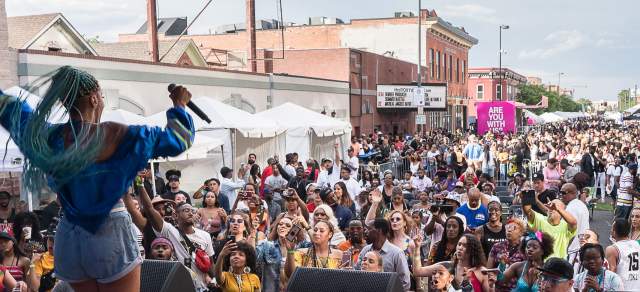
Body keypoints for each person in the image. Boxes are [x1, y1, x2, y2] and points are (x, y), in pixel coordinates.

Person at [140, 180, 214, 289]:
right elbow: (150, 209)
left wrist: (214, 280)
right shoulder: (170, 231)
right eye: (186, 210)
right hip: (179, 287)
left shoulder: (205, 235)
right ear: (176, 215)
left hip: (202, 287)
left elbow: (211, 263)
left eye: (192, 211)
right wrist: (140, 184)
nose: (190, 213)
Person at [355, 219, 411, 291]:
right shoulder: (365, 250)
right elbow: (356, 273)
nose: (365, 232)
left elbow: (405, 283)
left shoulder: (397, 253)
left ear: (379, 231)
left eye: (369, 229)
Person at [487, 218, 527, 292]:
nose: (509, 230)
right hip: (498, 288)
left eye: (514, 228)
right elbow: (489, 269)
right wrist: (492, 277)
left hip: (516, 289)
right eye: (507, 227)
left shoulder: (525, 249)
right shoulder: (497, 246)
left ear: (521, 233)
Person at [605, 218, 640, 291]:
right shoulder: (636, 244)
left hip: (623, 287)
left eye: (612, 228)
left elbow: (612, 270)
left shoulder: (612, 249)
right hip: (637, 286)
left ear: (614, 232)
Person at [560, 183, 589, 258]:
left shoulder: (570, 208)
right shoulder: (582, 205)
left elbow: (565, 229)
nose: (561, 195)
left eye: (563, 193)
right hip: (582, 246)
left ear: (573, 193)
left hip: (571, 249)